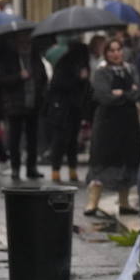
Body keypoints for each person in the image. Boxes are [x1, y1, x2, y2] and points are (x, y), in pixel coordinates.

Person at [84, 38, 140, 218]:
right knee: (102, 160)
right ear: (106, 53)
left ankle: (124, 203)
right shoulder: (101, 72)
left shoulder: (131, 69)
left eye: (118, 50)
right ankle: (93, 202)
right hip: (107, 124)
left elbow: (138, 92)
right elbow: (104, 96)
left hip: (128, 122)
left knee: (127, 160)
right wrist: (127, 94)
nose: (116, 54)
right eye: (111, 50)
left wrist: (121, 94)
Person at [0, 31, 47, 180]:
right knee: (15, 138)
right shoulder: (9, 58)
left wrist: (40, 91)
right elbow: (1, 80)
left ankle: (32, 167)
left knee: (33, 137)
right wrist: (18, 77)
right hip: (15, 103)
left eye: (27, 41)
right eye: (22, 41)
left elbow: (42, 76)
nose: (25, 44)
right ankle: (15, 167)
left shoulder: (35, 57)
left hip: (33, 102)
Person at [46, 42, 90, 183]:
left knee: (73, 140)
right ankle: (56, 169)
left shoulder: (82, 65)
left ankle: (72, 168)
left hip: (75, 107)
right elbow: (57, 84)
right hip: (62, 108)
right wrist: (78, 78)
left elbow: (85, 89)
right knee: (60, 139)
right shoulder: (65, 65)